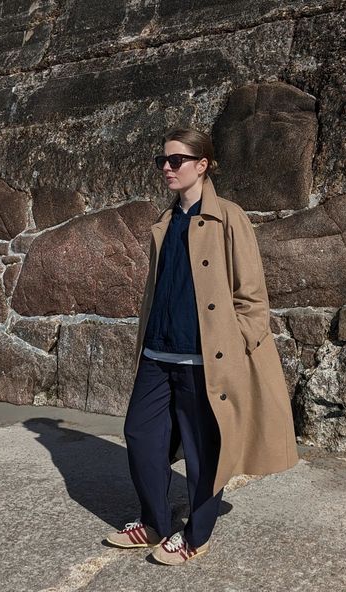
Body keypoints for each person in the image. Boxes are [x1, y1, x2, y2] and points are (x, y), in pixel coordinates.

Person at [105, 127, 299, 565]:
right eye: (163, 161)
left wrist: (238, 344)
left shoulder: (229, 217)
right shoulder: (166, 221)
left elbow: (252, 298)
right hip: (158, 353)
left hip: (204, 359)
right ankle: (155, 522)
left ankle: (197, 533)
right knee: (140, 434)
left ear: (202, 164)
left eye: (176, 160)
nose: (167, 169)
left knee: (203, 447)